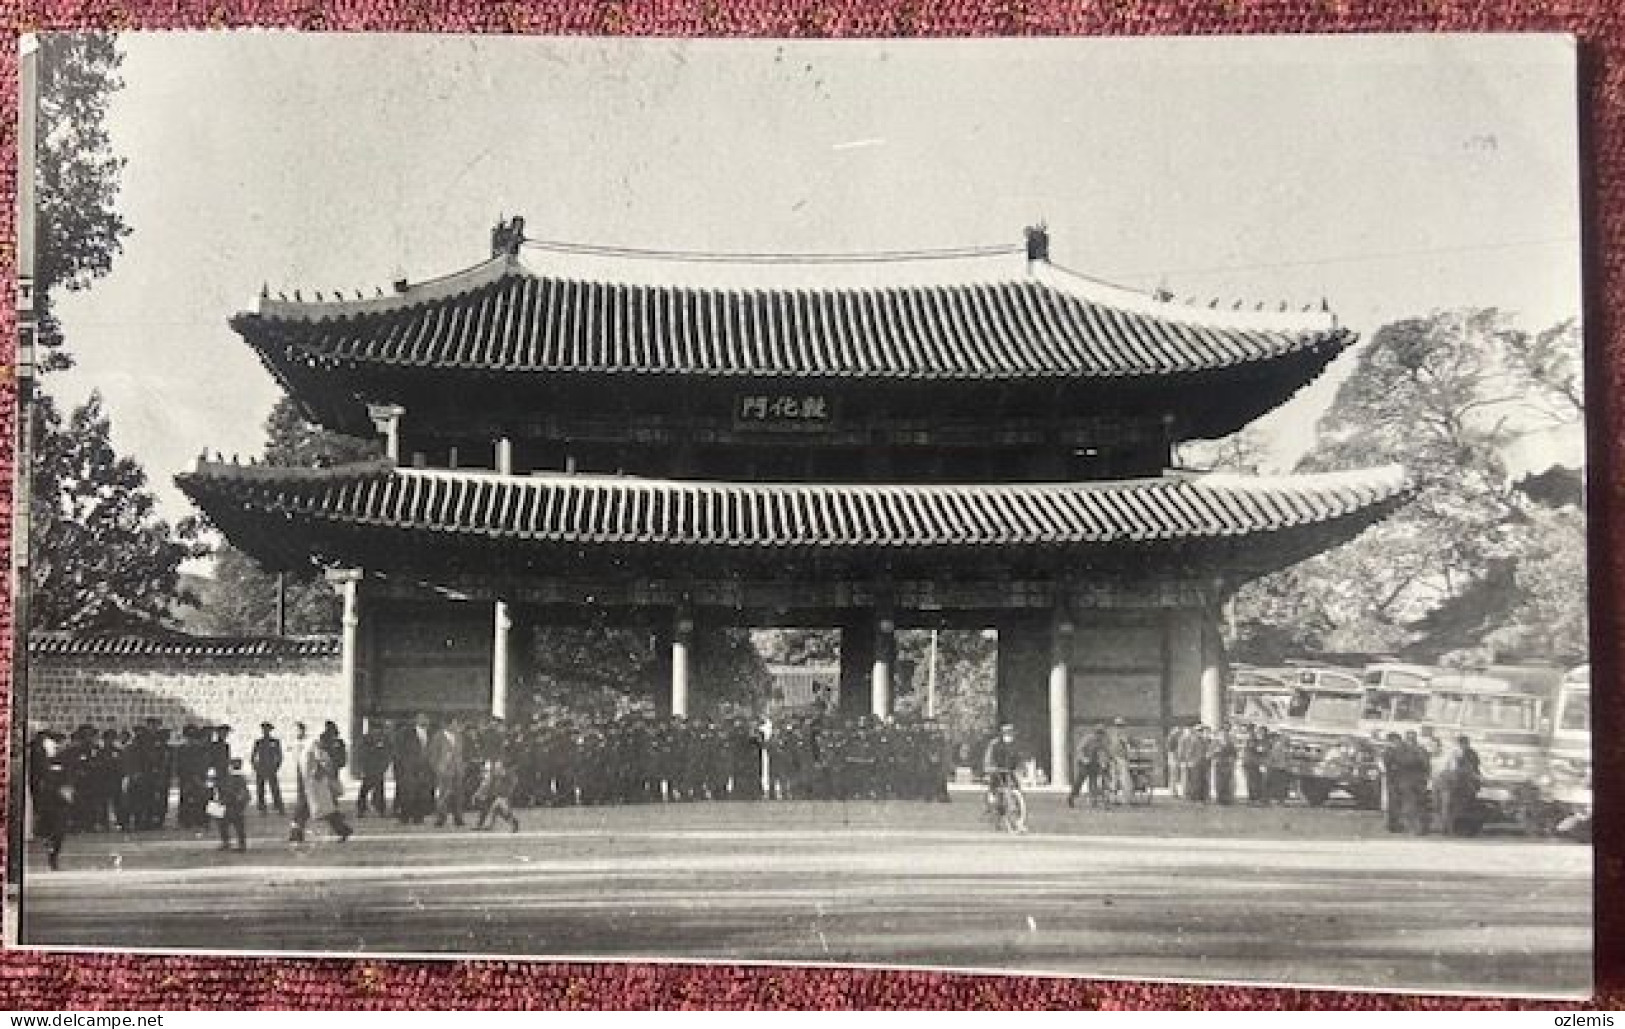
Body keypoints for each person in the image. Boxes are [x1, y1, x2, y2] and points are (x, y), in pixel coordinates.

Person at [293, 730, 353, 843]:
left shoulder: (310, 747)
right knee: (314, 809)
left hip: (313, 785)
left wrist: (321, 772)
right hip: (311, 784)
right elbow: (324, 762)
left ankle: (343, 830)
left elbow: (324, 763)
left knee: (320, 809)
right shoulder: (315, 746)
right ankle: (296, 834)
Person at [32, 732, 73, 870]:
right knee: (52, 828)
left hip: (60, 799)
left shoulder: (65, 759)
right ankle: (51, 852)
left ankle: (53, 854)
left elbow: (69, 777)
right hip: (50, 799)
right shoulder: (42, 761)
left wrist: (67, 790)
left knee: (59, 829)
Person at [981, 724, 1027, 833]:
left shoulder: (1015, 745)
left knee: (1016, 788)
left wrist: (1021, 767)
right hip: (996, 770)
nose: (1009, 736)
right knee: (994, 788)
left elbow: (1019, 757)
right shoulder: (995, 744)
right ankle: (992, 805)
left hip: (1009, 770)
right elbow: (989, 757)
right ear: (1002, 734)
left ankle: (1017, 814)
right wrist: (990, 767)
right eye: (1007, 734)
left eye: (1011, 734)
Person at [429, 717, 469, 828]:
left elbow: (462, 753)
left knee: (459, 795)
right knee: (443, 795)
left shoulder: (459, 737)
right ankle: (441, 818)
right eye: (455, 723)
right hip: (444, 770)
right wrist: (437, 767)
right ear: (448, 724)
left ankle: (458, 817)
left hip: (457, 770)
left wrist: (462, 766)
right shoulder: (438, 737)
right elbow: (432, 754)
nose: (457, 726)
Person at [209, 758, 251, 852]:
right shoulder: (238, 778)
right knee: (236, 824)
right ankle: (238, 843)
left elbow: (241, 793)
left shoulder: (231, 778)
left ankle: (228, 842)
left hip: (230, 804)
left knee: (227, 823)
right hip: (231, 804)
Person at [472, 753, 521, 833]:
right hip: (500, 794)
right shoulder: (503, 772)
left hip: (504, 795)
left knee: (497, 809)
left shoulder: (509, 774)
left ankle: (509, 823)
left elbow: (505, 777)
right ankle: (511, 823)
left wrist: (494, 773)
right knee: (497, 810)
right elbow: (495, 777)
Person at [356, 721, 392, 818]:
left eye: (378, 730)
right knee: (365, 789)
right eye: (375, 729)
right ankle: (361, 809)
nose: (377, 731)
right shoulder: (365, 739)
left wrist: (385, 765)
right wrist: (362, 768)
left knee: (379, 789)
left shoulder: (384, 739)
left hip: (379, 768)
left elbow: (388, 753)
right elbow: (361, 754)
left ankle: (380, 809)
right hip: (369, 768)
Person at [1067, 725, 1105, 808]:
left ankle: (1093, 801)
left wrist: (1102, 762)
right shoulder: (1087, 739)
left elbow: (1101, 752)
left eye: (1101, 734)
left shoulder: (1100, 742)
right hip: (1084, 764)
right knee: (1079, 781)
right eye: (1098, 733)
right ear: (1095, 733)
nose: (1100, 736)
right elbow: (1079, 749)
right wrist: (1084, 759)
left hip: (1094, 763)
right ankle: (1072, 797)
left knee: (1093, 782)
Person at [251, 723, 284, 816]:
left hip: (271, 768)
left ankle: (279, 807)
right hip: (261, 768)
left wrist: (276, 767)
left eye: (267, 729)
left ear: (270, 730)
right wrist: (256, 767)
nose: (265, 731)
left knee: (275, 789)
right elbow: (253, 756)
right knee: (260, 790)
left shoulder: (275, 741)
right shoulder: (258, 742)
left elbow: (279, 755)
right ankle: (262, 808)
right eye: (264, 729)